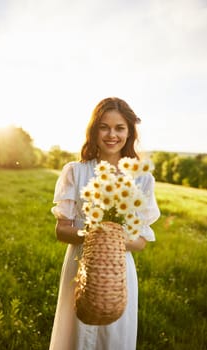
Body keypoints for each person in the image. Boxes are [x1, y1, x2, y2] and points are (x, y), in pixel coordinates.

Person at [49, 97, 160, 350]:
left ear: (129, 132)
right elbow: (61, 230)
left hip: (119, 270)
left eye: (119, 128)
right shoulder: (75, 171)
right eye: (104, 127)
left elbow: (141, 241)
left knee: (114, 338)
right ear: (94, 130)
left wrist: (111, 241)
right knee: (75, 336)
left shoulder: (142, 179)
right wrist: (93, 236)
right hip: (80, 266)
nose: (112, 135)